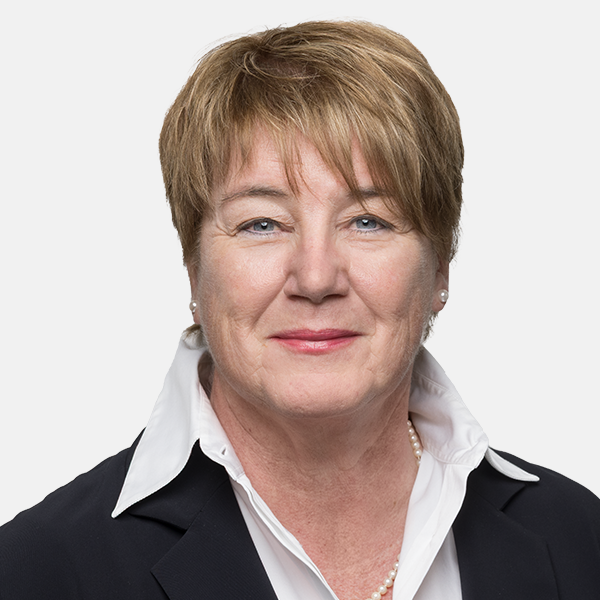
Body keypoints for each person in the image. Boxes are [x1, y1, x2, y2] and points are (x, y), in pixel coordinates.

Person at [1, 20, 599, 600]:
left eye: (368, 221)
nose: (315, 279)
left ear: (440, 267)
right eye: (261, 224)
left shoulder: (583, 541)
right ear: (193, 267)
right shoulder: (35, 573)